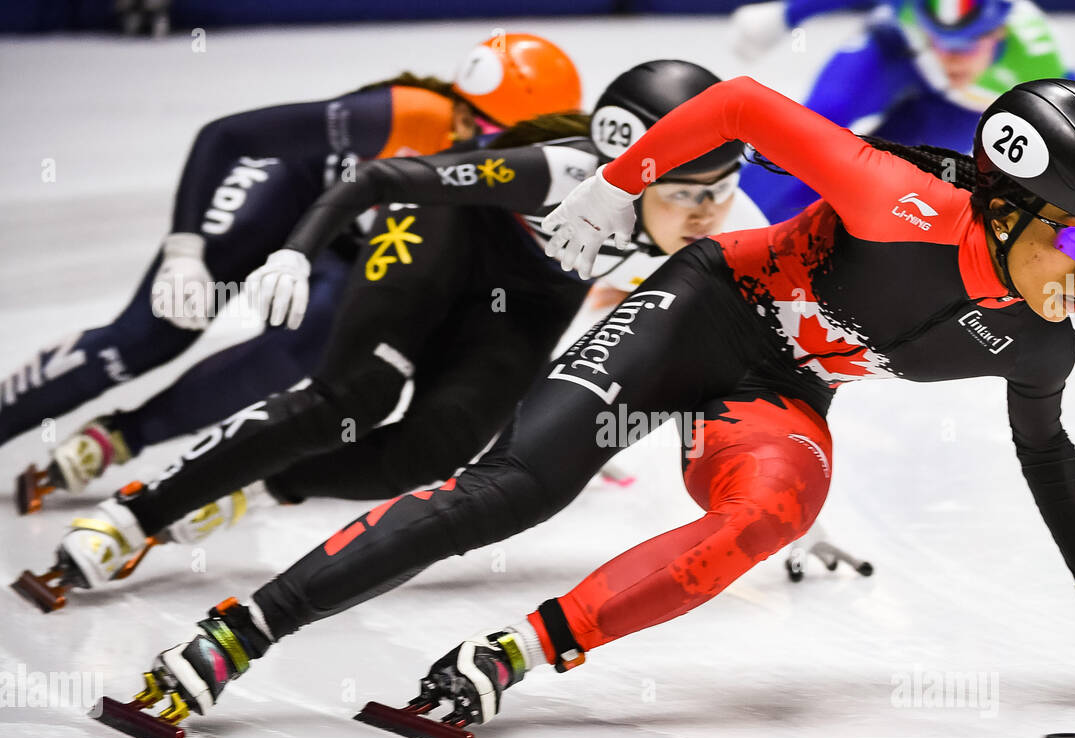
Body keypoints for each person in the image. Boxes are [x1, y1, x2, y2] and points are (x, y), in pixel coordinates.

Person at [100, 75, 1075, 738]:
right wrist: (612, 181)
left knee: (774, 512)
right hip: (700, 306)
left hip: (775, 389)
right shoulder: (894, 198)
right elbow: (745, 108)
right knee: (510, 488)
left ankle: (507, 655)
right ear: (1003, 207)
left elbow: (1044, 448)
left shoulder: (1042, 338)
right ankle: (235, 632)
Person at [18, 60, 766, 610]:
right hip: (446, 230)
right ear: (623, 173)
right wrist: (294, 250)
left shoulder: (722, 217)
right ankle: (135, 512)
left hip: (532, 292)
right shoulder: (555, 174)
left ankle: (265, 483)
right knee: (350, 398)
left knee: (433, 452)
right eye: (684, 195)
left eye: (721, 192)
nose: (707, 214)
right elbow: (382, 182)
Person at [6, 33, 582, 509]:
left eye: (518, 146)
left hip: (356, 241)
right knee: (151, 336)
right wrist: (185, 250)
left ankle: (124, 437)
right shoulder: (400, 114)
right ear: (458, 111)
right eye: (490, 138)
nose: (498, 159)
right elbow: (226, 136)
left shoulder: (536, 173)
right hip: (292, 198)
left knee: (309, 344)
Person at [731, 0, 1075, 224]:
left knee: (888, 172)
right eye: (941, 39)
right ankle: (730, 208)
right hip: (898, 52)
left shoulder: (1039, 59)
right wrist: (784, 16)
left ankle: (790, 232)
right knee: (815, 123)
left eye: (967, 43)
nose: (951, 56)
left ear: (998, 31)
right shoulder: (909, 10)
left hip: (957, 104)